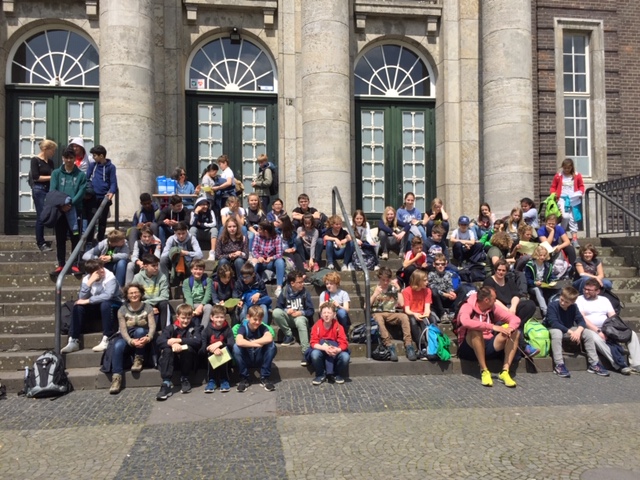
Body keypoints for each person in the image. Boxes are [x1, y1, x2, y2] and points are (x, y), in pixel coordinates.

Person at [457, 286, 521, 387]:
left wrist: (510, 328)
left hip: (489, 344)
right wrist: (491, 326)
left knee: (515, 332)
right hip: (469, 347)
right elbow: (465, 322)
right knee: (476, 331)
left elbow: (515, 319)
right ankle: (484, 371)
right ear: (486, 300)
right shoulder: (467, 306)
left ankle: (505, 371)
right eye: (494, 299)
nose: (496, 301)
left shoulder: (492, 308)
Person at [576, 278, 640, 375]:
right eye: (585, 289)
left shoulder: (604, 300)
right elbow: (583, 319)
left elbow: (613, 317)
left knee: (632, 334)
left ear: (597, 291)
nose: (586, 291)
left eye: (589, 290)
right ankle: (618, 364)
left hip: (607, 327)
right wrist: (598, 331)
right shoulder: (580, 299)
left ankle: (636, 364)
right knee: (595, 338)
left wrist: (617, 330)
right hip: (589, 329)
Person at [61, 259, 123, 354]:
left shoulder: (110, 277)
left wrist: (88, 300)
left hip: (114, 305)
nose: (102, 270)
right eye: (98, 269)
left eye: (102, 267)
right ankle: (73, 339)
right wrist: (89, 283)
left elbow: (108, 295)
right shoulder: (87, 279)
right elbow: (81, 298)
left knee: (105, 304)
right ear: (92, 273)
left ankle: (107, 337)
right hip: (97, 306)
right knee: (78, 306)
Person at [483, 259, 539, 357]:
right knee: (513, 322)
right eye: (499, 270)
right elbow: (492, 300)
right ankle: (524, 346)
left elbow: (515, 295)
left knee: (530, 305)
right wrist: (507, 311)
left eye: (503, 270)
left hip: (511, 308)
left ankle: (515, 327)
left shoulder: (509, 280)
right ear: (495, 270)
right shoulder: (489, 281)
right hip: (497, 310)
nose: (501, 272)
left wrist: (513, 307)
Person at [109, 283, 155, 394]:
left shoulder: (148, 307)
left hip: (143, 336)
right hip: (127, 336)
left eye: (136, 292)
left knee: (140, 331)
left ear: (141, 293)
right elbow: (123, 329)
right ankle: (116, 377)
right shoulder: (122, 310)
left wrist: (149, 337)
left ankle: (139, 358)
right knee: (117, 345)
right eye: (131, 293)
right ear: (127, 295)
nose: (134, 295)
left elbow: (152, 325)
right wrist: (130, 341)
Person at [546, 286, 601, 378]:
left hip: (568, 327)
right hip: (553, 327)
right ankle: (559, 364)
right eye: (561, 299)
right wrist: (572, 332)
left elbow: (581, 321)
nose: (562, 303)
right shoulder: (553, 305)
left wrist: (578, 331)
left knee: (587, 333)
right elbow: (554, 323)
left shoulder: (574, 307)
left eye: (566, 302)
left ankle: (594, 363)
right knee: (557, 333)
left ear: (572, 302)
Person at [50, 146, 86, 274]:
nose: (69, 160)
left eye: (71, 157)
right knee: (60, 238)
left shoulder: (81, 175)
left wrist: (70, 203)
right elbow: (53, 190)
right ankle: (61, 264)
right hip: (60, 210)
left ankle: (75, 264)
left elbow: (81, 191)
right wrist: (61, 204)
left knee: (75, 237)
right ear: (63, 158)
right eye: (66, 158)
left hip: (75, 210)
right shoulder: (56, 173)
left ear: (75, 158)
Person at [156, 303, 202, 401]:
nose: (186, 321)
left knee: (188, 348)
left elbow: (198, 341)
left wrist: (179, 340)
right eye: (183, 318)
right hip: (172, 361)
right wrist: (171, 344)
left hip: (188, 361)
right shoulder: (170, 328)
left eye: (188, 318)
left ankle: (185, 378)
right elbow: (159, 341)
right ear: (177, 316)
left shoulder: (195, 327)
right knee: (167, 350)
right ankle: (166, 383)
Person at [370, 267, 416, 362]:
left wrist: (398, 290)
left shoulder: (393, 288)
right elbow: (366, 306)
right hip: (378, 312)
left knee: (404, 316)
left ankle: (408, 345)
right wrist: (375, 294)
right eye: (383, 280)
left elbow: (402, 304)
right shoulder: (373, 289)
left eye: (387, 280)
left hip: (391, 313)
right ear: (379, 278)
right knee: (378, 318)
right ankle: (389, 345)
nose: (385, 282)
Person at [272, 270, 315, 365]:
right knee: (276, 312)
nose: (302, 284)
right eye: (299, 282)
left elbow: (311, 311)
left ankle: (306, 352)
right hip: (289, 318)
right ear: (292, 283)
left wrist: (301, 312)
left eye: (302, 282)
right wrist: (286, 310)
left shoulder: (305, 293)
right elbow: (278, 307)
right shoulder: (285, 291)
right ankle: (289, 335)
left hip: (301, 319)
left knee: (300, 321)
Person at [233, 305, 277, 392]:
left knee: (272, 345)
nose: (257, 322)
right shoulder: (243, 327)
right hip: (247, 357)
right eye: (255, 319)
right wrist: (255, 344)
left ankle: (265, 377)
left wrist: (252, 342)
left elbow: (269, 338)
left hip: (259, 357)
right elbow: (239, 341)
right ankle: (244, 378)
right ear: (248, 317)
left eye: (260, 320)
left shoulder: (262, 327)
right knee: (236, 347)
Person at [307, 302, 350, 385]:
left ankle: (337, 374)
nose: (326, 315)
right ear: (321, 315)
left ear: (334, 314)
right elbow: (313, 342)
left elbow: (344, 343)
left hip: (335, 349)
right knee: (315, 354)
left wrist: (337, 349)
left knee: (345, 357)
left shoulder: (339, 327)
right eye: (324, 313)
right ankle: (320, 374)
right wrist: (325, 348)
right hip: (321, 349)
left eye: (329, 313)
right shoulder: (316, 326)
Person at [84, 145, 117, 243]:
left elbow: (113, 182)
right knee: (91, 219)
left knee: (102, 220)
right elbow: (86, 179)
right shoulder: (92, 166)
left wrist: (111, 192)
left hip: (104, 197)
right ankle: (89, 241)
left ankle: (100, 240)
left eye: (95, 155)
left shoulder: (111, 167)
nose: (93, 157)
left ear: (101, 156)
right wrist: (88, 191)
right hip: (93, 197)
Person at [550, 157, 585, 248]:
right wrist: (553, 194)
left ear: (572, 167)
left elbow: (581, 186)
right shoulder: (558, 176)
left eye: (568, 168)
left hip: (574, 199)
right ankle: (561, 234)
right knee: (565, 216)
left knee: (573, 219)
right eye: (565, 168)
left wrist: (581, 192)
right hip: (562, 199)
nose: (566, 170)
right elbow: (553, 187)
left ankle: (574, 239)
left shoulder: (577, 175)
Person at [402, 269, 437, 355]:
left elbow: (427, 307)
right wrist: (415, 314)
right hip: (412, 313)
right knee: (413, 321)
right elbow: (407, 310)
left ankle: (433, 343)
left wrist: (426, 314)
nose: (427, 282)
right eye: (424, 280)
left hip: (422, 312)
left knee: (432, 319)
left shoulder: (427, 291)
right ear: (418, 281)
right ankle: (421, 345)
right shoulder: (406, 291)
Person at [201, 304, 234, 393]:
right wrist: (212, 349)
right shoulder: (206, 330)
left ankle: (224, 379)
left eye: (221, 317)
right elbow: (202, 348)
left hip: (225, 356)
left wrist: (220, 344)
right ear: (211, 317)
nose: (219, 319)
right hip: (209, 356)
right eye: (217, 317)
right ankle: (211, 380)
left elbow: (231, 344)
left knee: (223, 350)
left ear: (225, 317)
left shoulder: (228, 329)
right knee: (211, 353)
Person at [31, 139, 56, 252]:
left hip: (49, 189)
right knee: (41, 215)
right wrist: (52, 177)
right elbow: (36, 177)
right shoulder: (35, 160)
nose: (53, 153)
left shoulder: (50, 162)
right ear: (45, 149)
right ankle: (40, 242)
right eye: (52, 150)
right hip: (39, 189)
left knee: (53, 212)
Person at [133, 254, 171, 330]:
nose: (156, 268)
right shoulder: (137, 278)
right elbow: (134, 297)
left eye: (157, 265)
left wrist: (149, 303)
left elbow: (165, 296)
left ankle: (165, 331)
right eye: (153, 266)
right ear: (145, 266)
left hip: (158, 302)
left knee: (164, 304)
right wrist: (148, 305)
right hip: (144, 304)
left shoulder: (162, 276)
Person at [251, 221, 286, 296]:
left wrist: (271, 258)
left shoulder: (277, 238)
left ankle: (279, 287)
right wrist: (258, 257)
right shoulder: (257, 236)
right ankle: (253, 287)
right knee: (253, 264)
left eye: (260, 229)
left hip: (271, 262)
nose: (258, 230)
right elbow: (254, 250)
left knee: (280, 261)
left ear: (265, 231)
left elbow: (280, 253)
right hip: (261, 262)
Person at [524, 245, 556, 317]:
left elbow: (551, 276)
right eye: (540, 255)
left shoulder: (548, 265)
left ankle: (554, 311)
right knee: (537, 289)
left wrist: (552, 281)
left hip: (544, 285)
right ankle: (545, 311)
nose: (542, 257)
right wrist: (534, 282)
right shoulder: (530, 265)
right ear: (536, 255)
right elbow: (527, 279)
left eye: (544, 255)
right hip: (533, 286)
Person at [182, 259, 212, 327]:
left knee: (209, 307)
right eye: (195, 269)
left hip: (203, 304)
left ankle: (203, 328)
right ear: (191, 270)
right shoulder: (186, 281)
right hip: (191, 303)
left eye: (200, 269)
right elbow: (188, 296)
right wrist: (191, 308)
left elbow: (208, 295)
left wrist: (201, 306)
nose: (198, 271)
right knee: (180, 308)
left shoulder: (208, 281)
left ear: (203, 270)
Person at [428, 253, 457, 322]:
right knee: (434, 291)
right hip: (437, 299)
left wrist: (451, 292)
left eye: (442, 264)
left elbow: (449, 286)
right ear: (434, 264)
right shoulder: (431, 274)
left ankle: (454, 312)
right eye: (437, 264)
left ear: (445, 264)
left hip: (447, 297)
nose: (440, 266)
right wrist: (445, 294)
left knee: (462, 289)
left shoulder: (448, 274)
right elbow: (432, 287)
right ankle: (442, 314)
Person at [189, 196, 218, 261]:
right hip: (199, 232)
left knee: (214, 230)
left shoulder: (211, 212)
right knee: (192, 229)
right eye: (203, 205)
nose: (205, 206)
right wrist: (196, 213)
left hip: (207, 232)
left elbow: (214, 224)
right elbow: (192, 224)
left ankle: (212, 252)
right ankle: (195, 251)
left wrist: (202, 224)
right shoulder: (193, 212)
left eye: (206, 205)